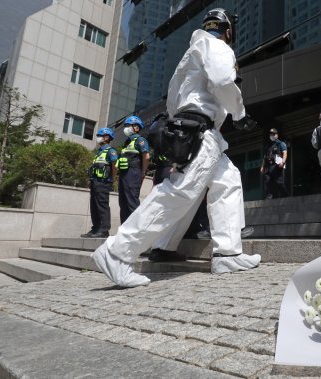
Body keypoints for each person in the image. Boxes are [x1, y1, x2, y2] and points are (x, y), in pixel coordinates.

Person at [92, 7, 261, 287]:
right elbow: (222, 80)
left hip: (192, 130)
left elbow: (172, 103)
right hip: (201, 131)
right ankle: (117, 252)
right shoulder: (216, 45)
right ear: (228, 30)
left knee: (228, 181)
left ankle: (227, 254)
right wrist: (240, 114)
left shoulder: (189, 55)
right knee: (179, 192)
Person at [81, 128, 119, 238]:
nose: (98, 137)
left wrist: (112, 179)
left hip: (104, 183)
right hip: (95, 182)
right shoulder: (99, 152)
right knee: (94, 206)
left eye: (100, 135)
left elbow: (115, 166)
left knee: (102, 206)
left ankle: (104, 230)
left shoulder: (111, 151)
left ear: (107, 137)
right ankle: (96, 228)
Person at [117, 116, 150, 223]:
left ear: (136, 127)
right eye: (126, 126)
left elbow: (146, 157)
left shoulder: (140, 140)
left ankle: (135, 230)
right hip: (124, 174)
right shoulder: (127, 142)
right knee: (123, 202)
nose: (126, 128)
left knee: (131, 201)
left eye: (128, 126)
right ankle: (124, 229)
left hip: (133, 172)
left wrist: (143, 173)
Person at [260, 128, 288, 199]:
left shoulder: (281, 144)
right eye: (270, 134)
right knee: (267, 181)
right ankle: (269, 197)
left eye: (273, 134)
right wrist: (262, 166)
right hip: (269, 166)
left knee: (279, 182)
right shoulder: (268, 145)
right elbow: (265, 156)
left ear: (277, 135)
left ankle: (285, 195)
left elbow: (285, 153)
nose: (271, 136)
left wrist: (283, 162)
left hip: (277, 165)